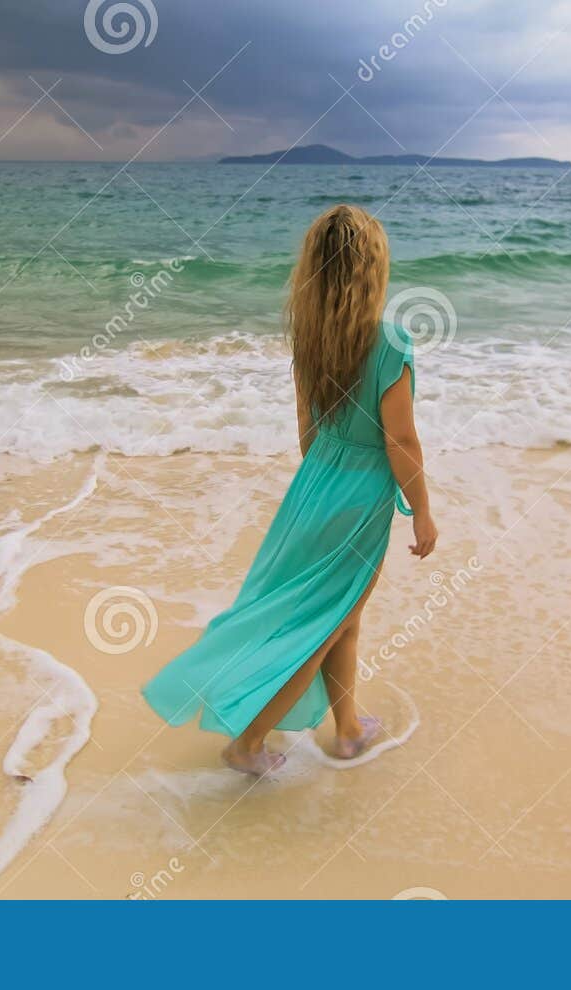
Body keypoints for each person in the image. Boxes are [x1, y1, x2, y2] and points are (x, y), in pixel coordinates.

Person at [141, 204, 438, 775]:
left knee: (340, 615)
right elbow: (400, 440)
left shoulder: (312, 337)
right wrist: (421, 511)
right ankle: (247, 743)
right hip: (359, 496)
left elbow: (308, 431)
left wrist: (322, 481)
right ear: (372, 268)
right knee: (325, 624)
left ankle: (348, 730)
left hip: (315, 484)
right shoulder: (391, 342)